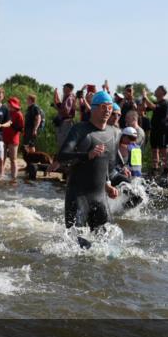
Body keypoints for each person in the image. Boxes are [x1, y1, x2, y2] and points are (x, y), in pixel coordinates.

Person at [52, 90, 122, 240]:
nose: (108, 110)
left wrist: (108, 184)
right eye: (104, 107)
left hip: (100, 197)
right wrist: (87, 155)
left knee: (108, 247)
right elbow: (62, 156)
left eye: (110, 107)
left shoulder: (114, 133)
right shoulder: (80, 130)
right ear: (94, 108)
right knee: (75, 246)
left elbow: (107, 166)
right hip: (78, 196)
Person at [3, 96, 24, 183]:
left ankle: (14, 177)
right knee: (2, 158)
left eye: (10, 105)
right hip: (4, 137)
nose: (9, 106)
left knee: (13, 159)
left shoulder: (19, 114)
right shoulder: (6, 112)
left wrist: (12, 125)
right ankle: (0, 174)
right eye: (9, 104)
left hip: (13, 138)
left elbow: (21, 128)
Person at [53, 83, 76, 148]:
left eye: (64, 87)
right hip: (64, 122)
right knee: (61, 142)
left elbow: (66, 112)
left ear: (68, 89)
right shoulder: (67, 97)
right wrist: (55, 97)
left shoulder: (69, 98)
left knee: (63, 143)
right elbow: (61, 106)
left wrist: (57, 108)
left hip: (66, 123)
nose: (63, 89)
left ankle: (64, 157)